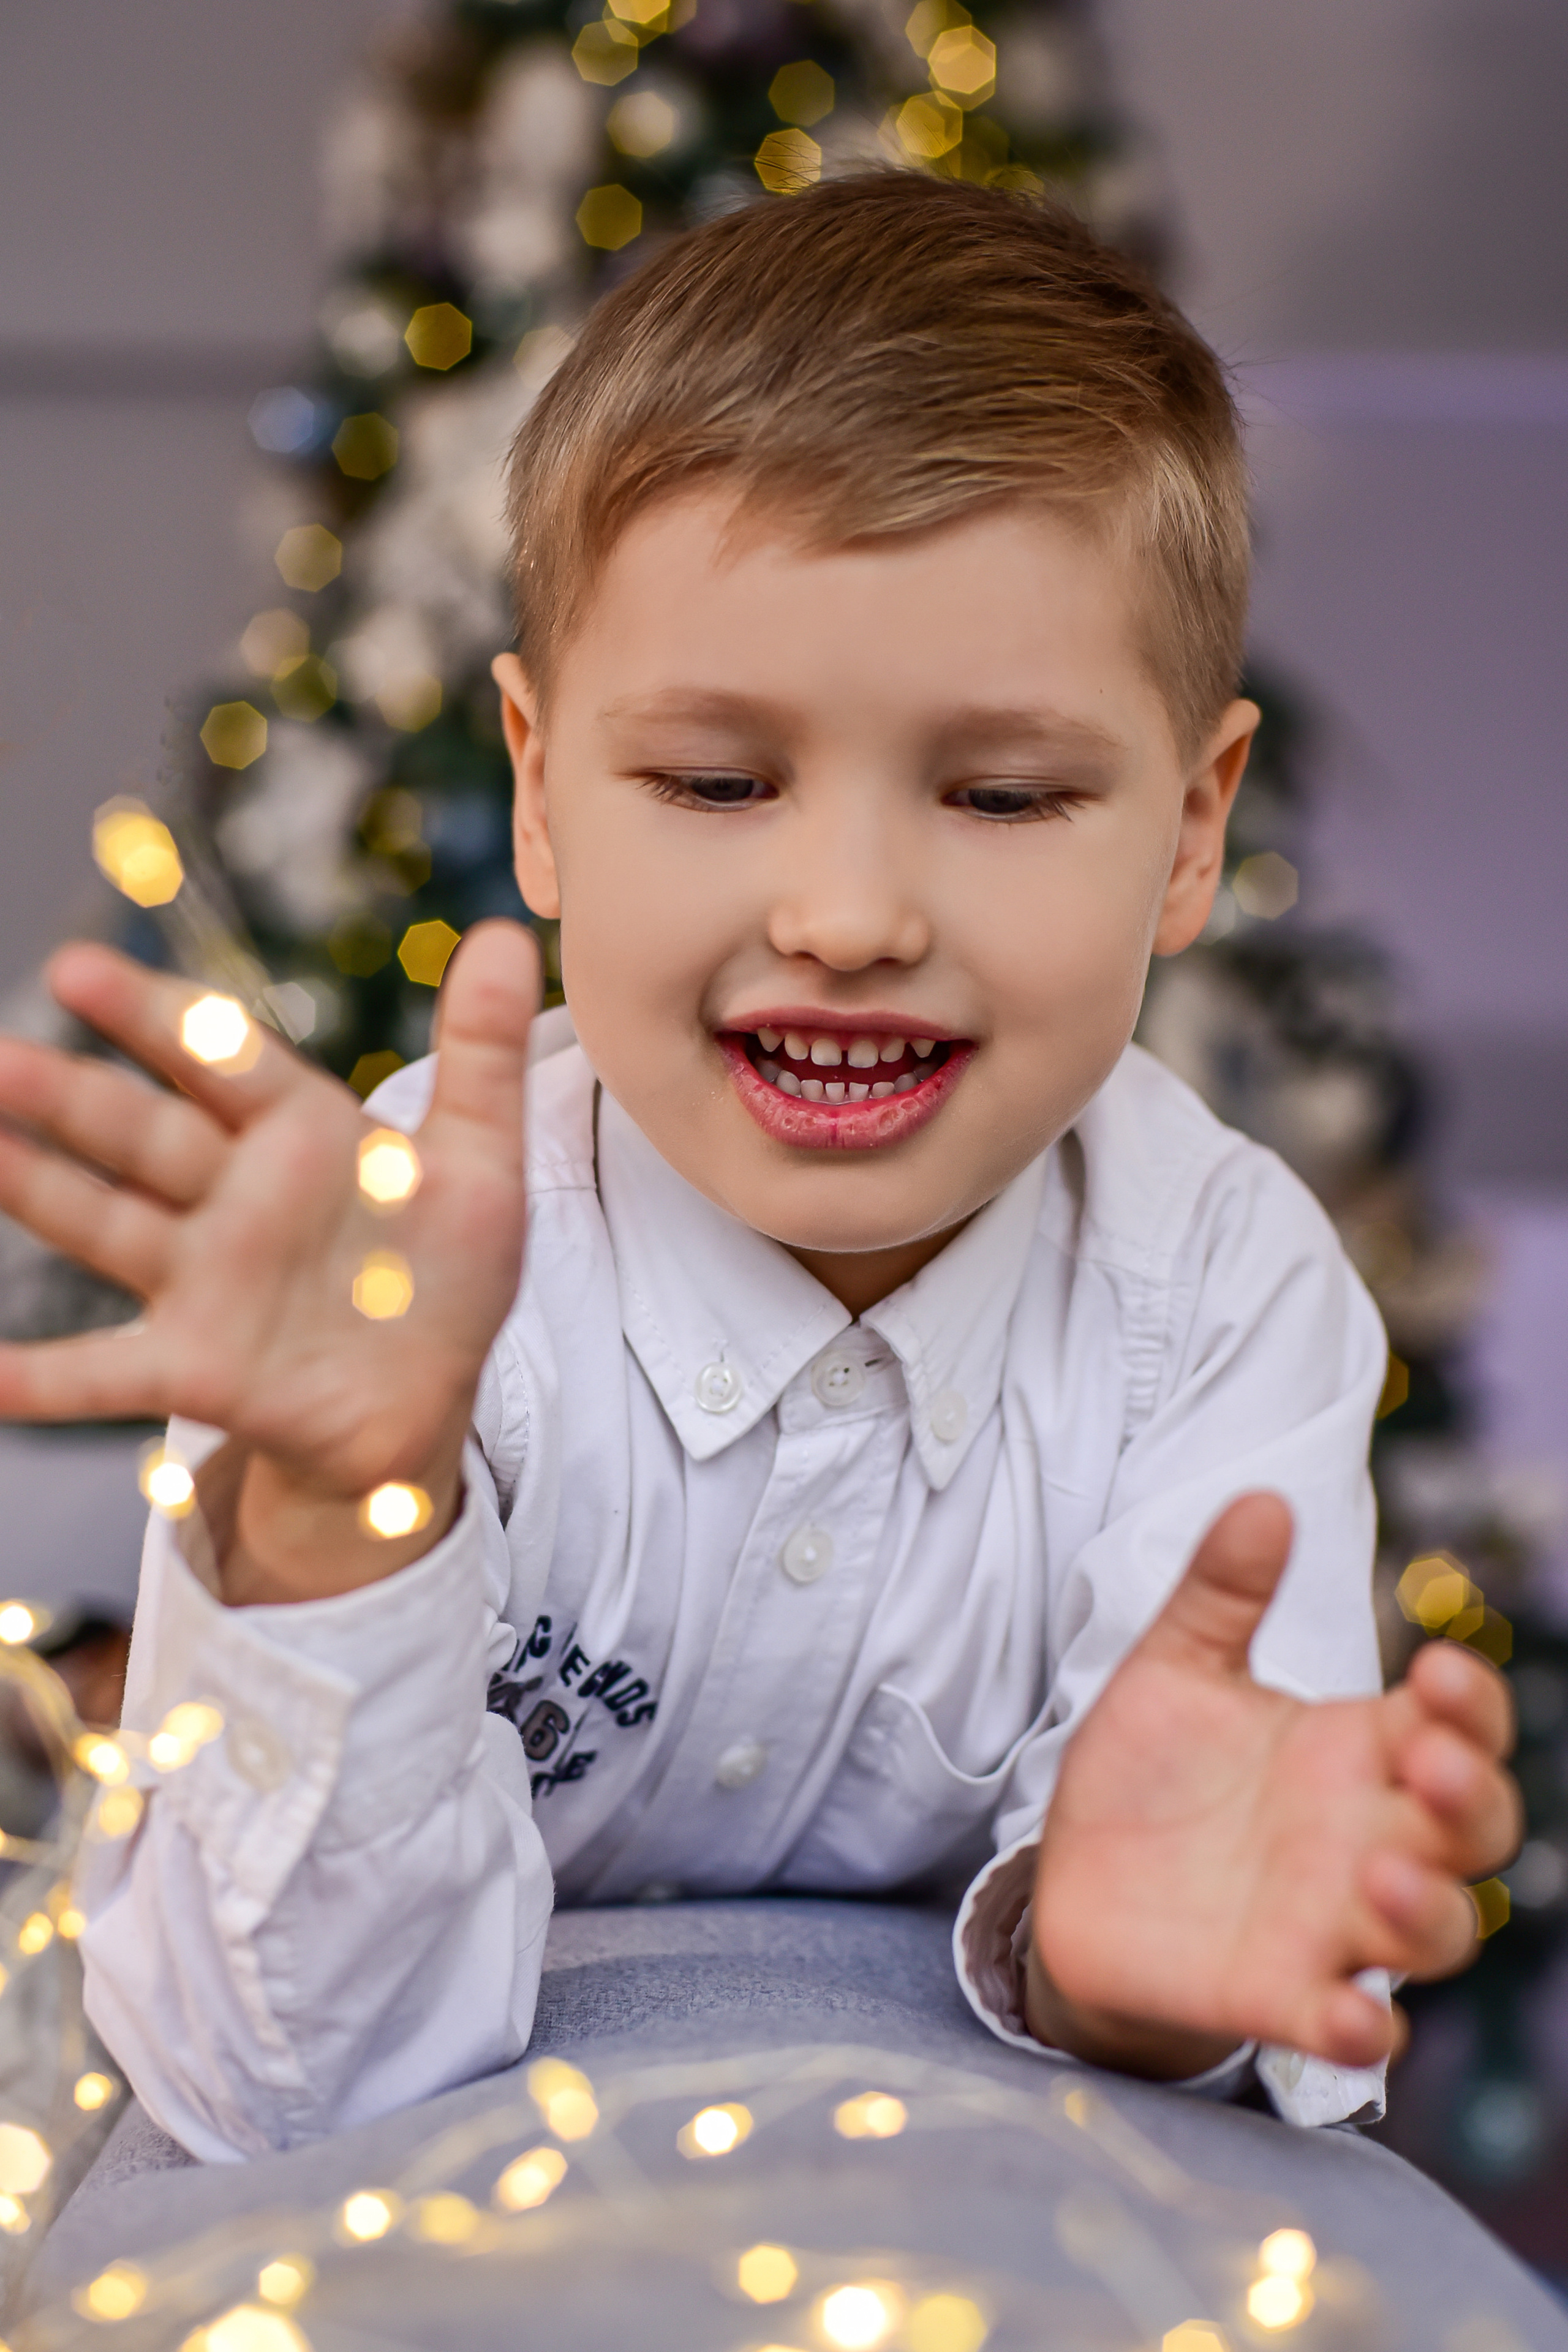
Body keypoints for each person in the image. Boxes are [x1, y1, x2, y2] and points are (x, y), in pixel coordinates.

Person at [0, 173, 1516, 2162]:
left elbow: (1211, 1930)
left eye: (1002, 793)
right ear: (538, 794)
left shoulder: (1224, 1289)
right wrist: (342, 1525)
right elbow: (274, 2081)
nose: (849, 913)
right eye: (719, 783)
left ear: (1187, 829)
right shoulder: (409, 1268)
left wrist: (1125, 1973)